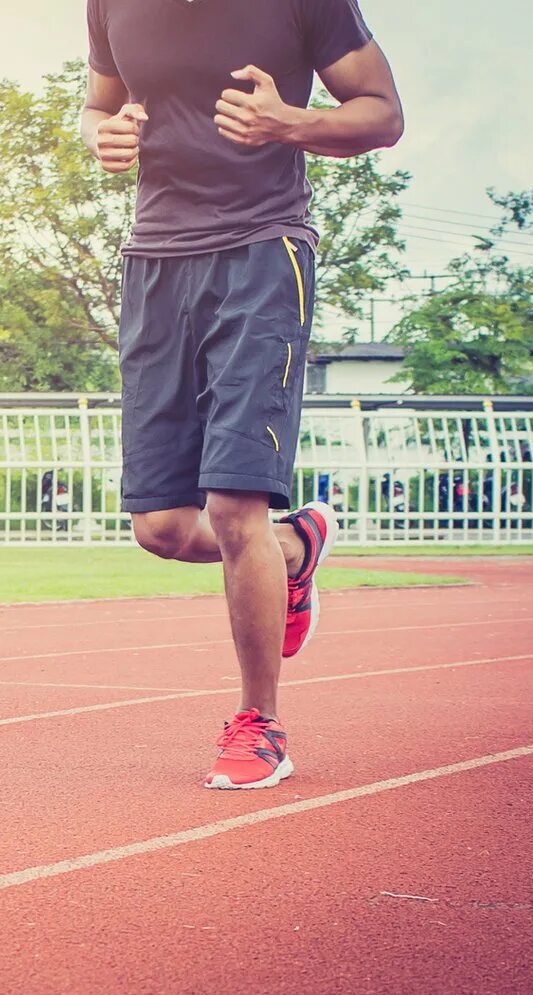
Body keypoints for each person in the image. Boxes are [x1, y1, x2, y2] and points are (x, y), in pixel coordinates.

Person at [81, 0, 404, 789]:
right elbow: (96, 104)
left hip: (263, 252)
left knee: (234, 508)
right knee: (160, 526)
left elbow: (383, 114)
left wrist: (289, 122)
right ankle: (295, 549)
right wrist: (104, 135)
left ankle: (260, 723)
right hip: (156, 260)